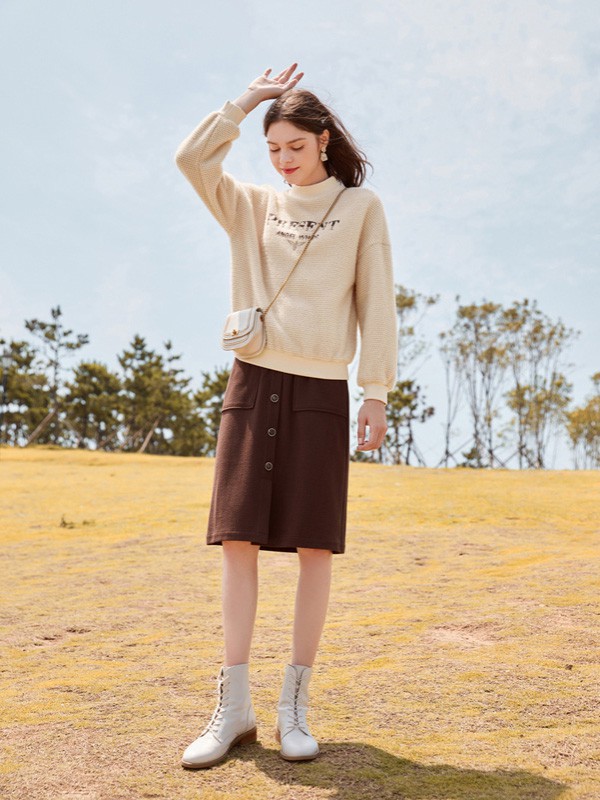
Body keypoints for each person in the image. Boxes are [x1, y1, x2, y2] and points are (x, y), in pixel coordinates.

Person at [174, 63, 398, 769]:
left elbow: (378, 304)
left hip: (321, 390)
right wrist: (245, 103)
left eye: (295, 147)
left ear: (324, 140)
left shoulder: (362, 209)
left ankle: (293, 706)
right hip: (253, 380)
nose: (282, 160)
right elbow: (191, 160)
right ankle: (233, 708)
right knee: (236, 541)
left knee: (313, 547)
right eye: (272, 149)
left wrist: (375, 391)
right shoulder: (250, 205)